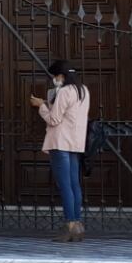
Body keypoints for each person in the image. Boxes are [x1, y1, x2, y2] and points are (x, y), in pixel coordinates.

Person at [32, 59, 90, 243]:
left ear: (62, 76)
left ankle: (70, 225)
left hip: (60, 143)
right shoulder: (83, 91)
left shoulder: (64, 91)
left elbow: (54, 119)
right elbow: (67, 114)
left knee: (65, 185)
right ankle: (78, 225)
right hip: (75, 143)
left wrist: (40, 106)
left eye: (55, 76)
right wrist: (48, 104)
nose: (54, 80)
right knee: (74, 184)